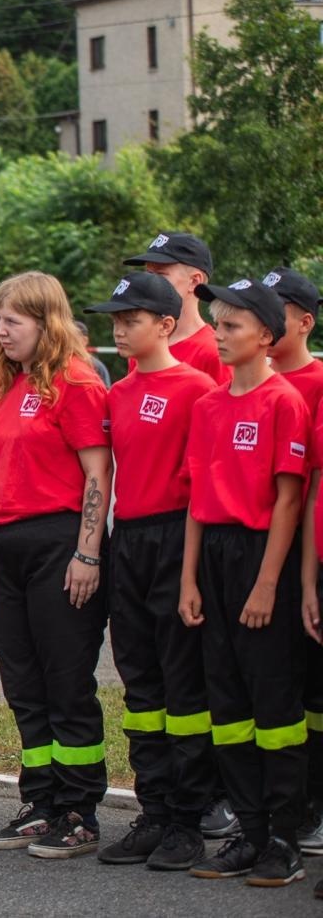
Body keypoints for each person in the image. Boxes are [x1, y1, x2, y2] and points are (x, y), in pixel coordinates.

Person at [83, 272, 217, 868]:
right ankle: (154, 810)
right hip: (129, 540)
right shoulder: (117, 393)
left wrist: (189, 572)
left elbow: (201, 486)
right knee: (139, 683)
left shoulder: (196, 389)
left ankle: (189, 818)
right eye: (115, 320)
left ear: (165, 324)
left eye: (130, 319)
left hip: (176, 535)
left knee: (182, 682)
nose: (119, 329)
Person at [181, 277, 310, 888]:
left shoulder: (284, 401)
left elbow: (289, 500)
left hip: (261, 555)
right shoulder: (208, 405)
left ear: (266, 335)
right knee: (227, 704)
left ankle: (284, 837)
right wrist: (189, 579)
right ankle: (250, 831)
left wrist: (266, 584)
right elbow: (196, 501)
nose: (220, 335)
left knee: (274, 703)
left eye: (232, 326)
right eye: (218, 325)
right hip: (214, 556)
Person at [0, 271, 111, 858]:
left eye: (13, 321)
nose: (1, 331)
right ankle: (42, 801)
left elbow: (98, 474)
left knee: (66, 681)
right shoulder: (13, 384)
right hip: (7, 545)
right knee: (24, 683)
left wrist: (87, 552)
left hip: (58, 543)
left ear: (45, 322)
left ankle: (79, 809)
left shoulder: (76, 383)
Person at [263, 269, 323, 857]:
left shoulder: (315, 383)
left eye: (274, 309)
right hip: (259, 551)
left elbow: (306, 489)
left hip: (303, 546)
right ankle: (285, 803)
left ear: (304, 322)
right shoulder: (248, 383)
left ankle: (313, 803)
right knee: (280, 683)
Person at [123, 233, 230, 385]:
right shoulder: (144, 344)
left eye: (160, 275)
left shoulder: (215, 352)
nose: (150, 283)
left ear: (194, 281)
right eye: (149, 275)